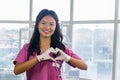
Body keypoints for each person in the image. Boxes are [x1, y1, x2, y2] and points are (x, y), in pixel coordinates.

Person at [13, 9, 87, 80]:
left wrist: (67, 57)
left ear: (55, 26)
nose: (47, 27)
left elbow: (84, 66)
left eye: (51, 24)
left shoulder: (60, 48)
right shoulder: (28, 48)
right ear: (37, 25)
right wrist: (38, 58)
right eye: (43, 23)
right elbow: (16, 70)